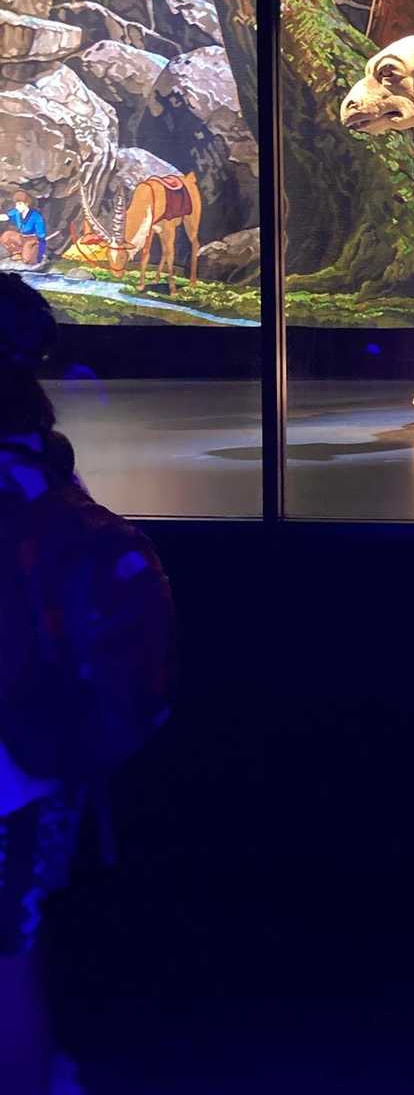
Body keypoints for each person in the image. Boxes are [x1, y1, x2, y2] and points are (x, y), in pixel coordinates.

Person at [0, 273, 175, 1095]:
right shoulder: (40, 470)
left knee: (10, 955)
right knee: (15, 949)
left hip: (18, 767)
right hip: (39, 763)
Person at [0, 194, 48, 266]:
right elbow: (6, 217)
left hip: (32, 239)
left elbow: (41, 235)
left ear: (26, 204)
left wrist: (40, 249)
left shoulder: (36, 216)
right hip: (21, 237)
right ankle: (17, 252)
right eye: (16, 204)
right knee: (6, 235)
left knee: (27, 259)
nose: (17, 206)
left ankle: (28, 253)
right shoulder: (16, 211)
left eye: (19, 204)